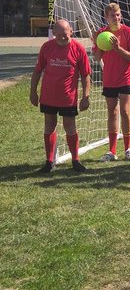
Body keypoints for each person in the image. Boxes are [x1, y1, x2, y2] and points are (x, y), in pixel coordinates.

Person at [30, 18, 91, 174]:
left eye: (66, 34)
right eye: (59, 35)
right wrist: (33, 92)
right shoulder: (47, 47)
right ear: (54, 33)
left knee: (69, 126)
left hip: (68, 97)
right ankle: (49, 162)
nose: (63, 37)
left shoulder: (78, 49)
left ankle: (75, 160)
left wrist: (86, 96)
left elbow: (85, 75)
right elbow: (37, 71)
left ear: (71, 31)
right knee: (49, 124)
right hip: (48, 95)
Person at [92, 2, 130, 161]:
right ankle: (112, 151)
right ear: (106, 17)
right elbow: (97, 57)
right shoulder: (102, 33)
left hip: (125, 77)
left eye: (118, 14)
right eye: (112, 15)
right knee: (112, 112)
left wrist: (119, 49)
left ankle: (128, 149)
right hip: (109, 78)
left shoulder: (129, 32)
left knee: (125, 112)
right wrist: (97, 42)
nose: (116, 17)